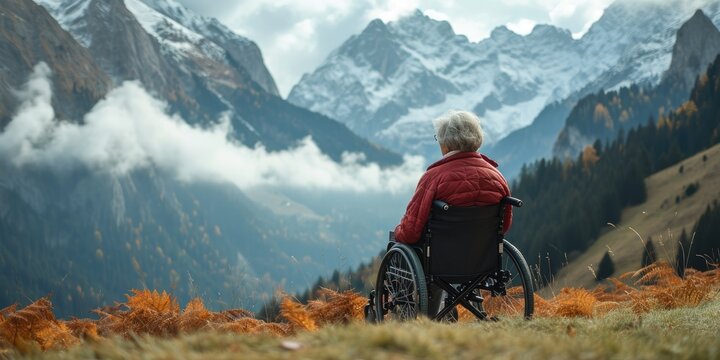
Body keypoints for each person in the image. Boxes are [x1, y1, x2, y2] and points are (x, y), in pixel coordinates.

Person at [390, 109, 512, 317]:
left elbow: (410, 231)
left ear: (446, 143)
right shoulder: (496, 177)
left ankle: (415, 314)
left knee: (399, 243)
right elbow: (504, 225)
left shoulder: (434, 177)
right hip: (481, 258)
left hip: (439, 261)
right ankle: (451, 310)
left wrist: (398, 234)